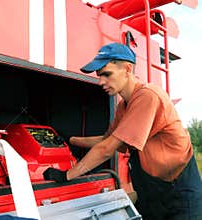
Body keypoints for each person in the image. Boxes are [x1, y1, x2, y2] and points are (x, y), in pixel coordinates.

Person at [43, 43, 202, 219]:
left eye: (106, 74)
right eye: (99, 75)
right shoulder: (123, 106)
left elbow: (107, 149)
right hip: (152, 193)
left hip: (178, 194)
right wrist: (70, 139)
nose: (101, 81)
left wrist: (66, 175)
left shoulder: (148, 96)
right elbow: (107, 139)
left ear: (127, 69)